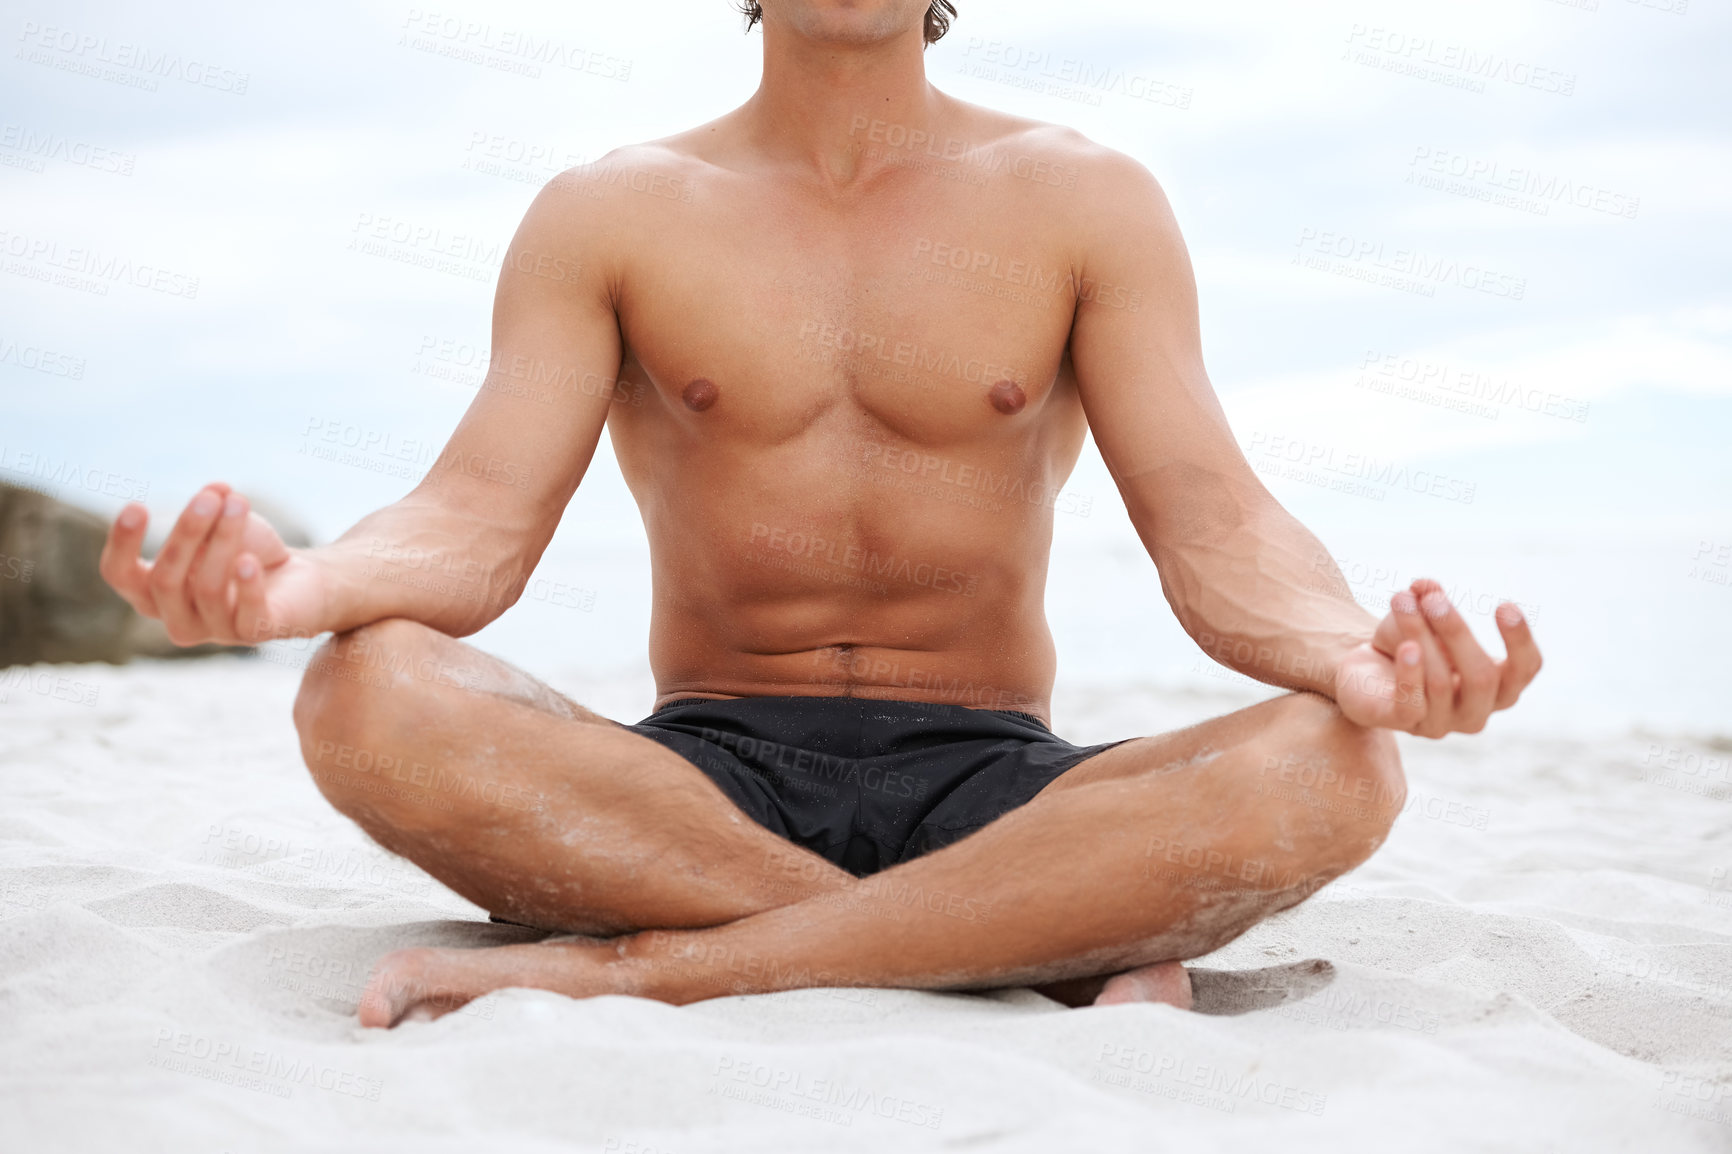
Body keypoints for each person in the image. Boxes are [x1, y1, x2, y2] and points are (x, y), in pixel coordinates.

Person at [98, 0, 1541, 1027]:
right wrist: (297, 592)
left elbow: (1219, 529)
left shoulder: (1086, 199)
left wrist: (1355, 652)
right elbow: (474, 520)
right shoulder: (614, 209)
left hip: (1000, 780)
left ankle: (660, 970)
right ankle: (1006, 945)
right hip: (701, 778)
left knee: (1341, 766)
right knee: (364, 693)